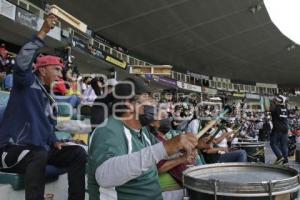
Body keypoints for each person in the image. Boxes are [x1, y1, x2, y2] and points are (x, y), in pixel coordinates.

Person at [0, 15, 87, 200]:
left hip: (38, 149)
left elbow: (46, 125)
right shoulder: (26, 81)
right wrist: (44, 31)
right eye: (56, 69)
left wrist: (54, 139)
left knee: (77, 153)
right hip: (10, 149)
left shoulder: (50, 97)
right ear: (42, 70)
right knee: (38, 154)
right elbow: (23, 60)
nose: (60, 73)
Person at [88, 77, 198, 200]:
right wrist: (166, 148)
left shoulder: (142, 130)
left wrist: (180, 150)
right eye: (147, 99)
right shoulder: (108, 130)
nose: (152, 105)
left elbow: (161, 153)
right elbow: (104, 176)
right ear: (128, 104)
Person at [270, 95, 289, 165]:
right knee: (284, 145)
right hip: (285, 129)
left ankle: (280, 157)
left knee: (273, 143)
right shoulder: (286, 109)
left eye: (277, 100)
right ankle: (285, 160)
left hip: (277, 129)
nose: (275, 101)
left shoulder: (275, 109)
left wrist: (273, 102)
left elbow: (269, 108)